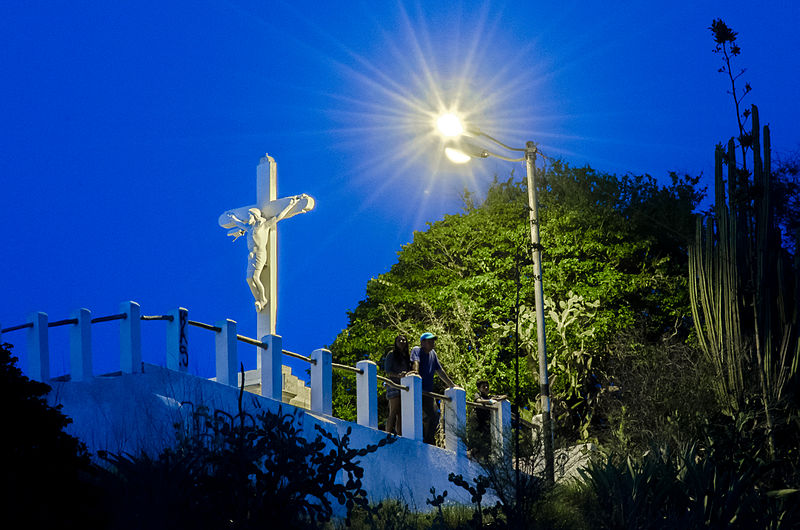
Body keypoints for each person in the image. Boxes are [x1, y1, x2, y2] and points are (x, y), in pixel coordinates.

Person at [225, 197, 299, 311]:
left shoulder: (264, 226)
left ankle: (262, 299)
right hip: (251, 256)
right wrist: (233, 218)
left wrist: (290, 206)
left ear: (255, 216)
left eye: (250, 215)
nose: (248, 217)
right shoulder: (249, 228)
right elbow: (239, 224)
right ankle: (258, 299)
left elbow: (278, 216)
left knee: (254, 277)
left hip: (259, 254)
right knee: (249, 279)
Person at [409, 332, 455, 444]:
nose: (432, 343)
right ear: (422, 342)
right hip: (417, 389)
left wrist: (452, 385)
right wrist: (415, 372)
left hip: (428, 391)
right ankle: (419, 438)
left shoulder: (433, 354)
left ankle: (428, 440)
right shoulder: (417, 350)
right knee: (417, 416)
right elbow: (416, 362)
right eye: (429, 341)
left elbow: (440, 371)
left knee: (435, 415)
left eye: (433, 341)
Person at [469, 380, 507, 459]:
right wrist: (489, 401)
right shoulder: (478, 395)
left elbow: (504, 396)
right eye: (483, 386)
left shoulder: (490, 397)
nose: (486, 388)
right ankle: (471, 455)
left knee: (485, 440)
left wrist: (497, 399)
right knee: (475, 439)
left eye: (487, 386)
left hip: (484, 422)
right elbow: (478, 401)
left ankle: (482, 457)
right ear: (479, 388)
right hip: (476, 420)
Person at [383, 334, 412, 435]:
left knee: (401, 413)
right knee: (393, 410)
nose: (402, 342)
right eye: (399, 340)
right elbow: (388, 371)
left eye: (404, 340)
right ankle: (387, 433)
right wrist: (398, 376)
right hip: (393, 385)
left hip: (404, 387)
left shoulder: (407, 357)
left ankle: (399, 435)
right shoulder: (391, 354)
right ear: (395, 342)